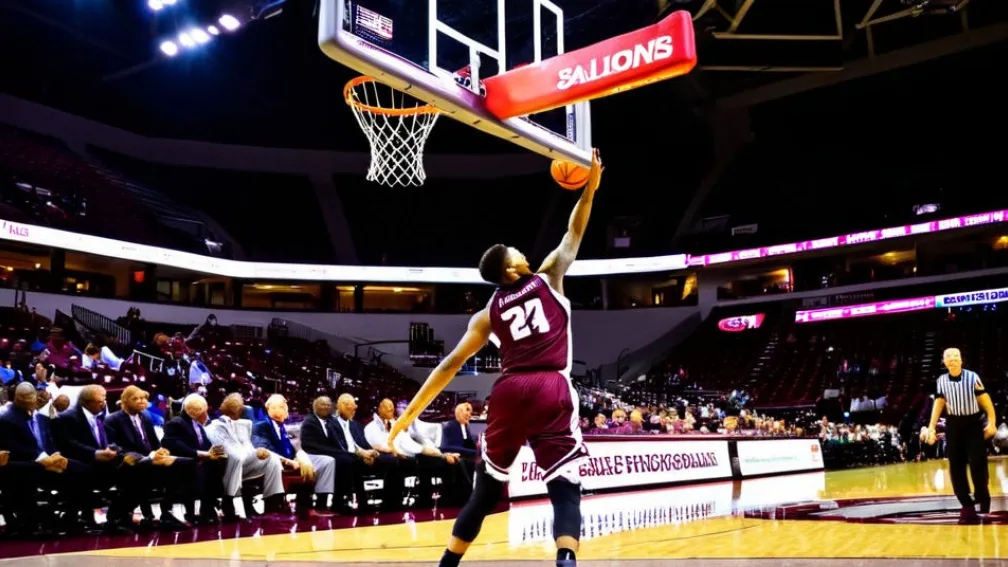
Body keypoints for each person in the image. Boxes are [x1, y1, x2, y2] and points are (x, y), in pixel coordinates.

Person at [388, 149, 603, 567]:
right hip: (551, 385)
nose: (522, 252)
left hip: (507, 389)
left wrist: (404, 420)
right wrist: (591, 185)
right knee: (564, 483)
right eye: (514, 252)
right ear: (509, 271)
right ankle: (565, 559)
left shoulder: (485, 315)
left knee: (486, 491)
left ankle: (448, 563)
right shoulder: (548, 275)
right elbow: (574, 230)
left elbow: (447, 366)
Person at [922, 347, 998, 524]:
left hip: (973, 424)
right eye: (949, 356)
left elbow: (985, 400)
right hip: (953, 425)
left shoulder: (972, 377)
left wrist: (992, 423)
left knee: (977, 463)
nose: (953, 359)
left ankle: (982, 498)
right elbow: (939, 403)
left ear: (961, 360)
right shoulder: (941, 380)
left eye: (956, 356)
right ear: (944, 361)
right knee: (956, 466)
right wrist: (931, 426)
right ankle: (966, 503)